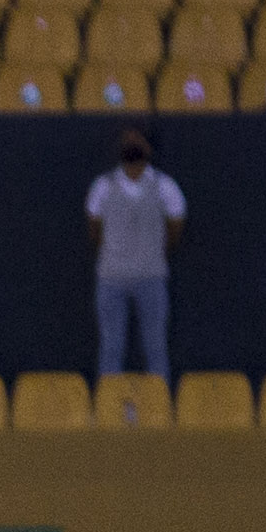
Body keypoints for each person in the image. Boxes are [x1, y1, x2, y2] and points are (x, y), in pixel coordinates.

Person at [87, 126, 183, 387]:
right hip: (111, 279)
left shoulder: (165, 186)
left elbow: (175, 225)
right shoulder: (103, 186)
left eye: (137, 139)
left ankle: (159, 409)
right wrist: (117, 251)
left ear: (148, 148)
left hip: (151, 278)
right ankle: (109, 408)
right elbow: (94, 227)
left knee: (155, 347)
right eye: (127, 139)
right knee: (111, 347)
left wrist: (153, 252)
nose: (131, 143)